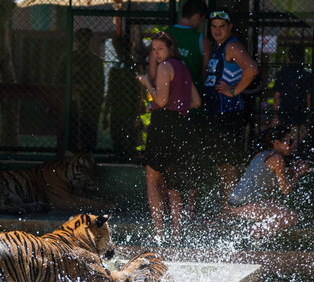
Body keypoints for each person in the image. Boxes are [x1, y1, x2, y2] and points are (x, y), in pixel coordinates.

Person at [136, 31, 201, 242]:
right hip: (181, 125)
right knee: (175, 183)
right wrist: (175, 106)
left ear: (170, 48)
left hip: (163, 125)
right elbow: (196, 102)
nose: (156, 53)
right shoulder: (183, 68)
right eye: (153, 49)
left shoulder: (165, 67)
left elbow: (162, 101)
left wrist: (147, 83)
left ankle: (158, 233)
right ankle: (176, 234)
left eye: (160, 49)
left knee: (153, 178)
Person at [203, 11, 260, 206]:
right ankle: (227, 208)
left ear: (230, 27)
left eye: (222, 26)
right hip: (217, 114)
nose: (217, 30)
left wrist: (234, 91)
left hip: (228, 114)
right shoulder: (218, 47)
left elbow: (252, 69)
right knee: (222, 164)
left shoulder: (233, 46)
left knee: (228, 164)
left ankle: (230, 210)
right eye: (214, 26)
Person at [225, 125, 311, 239]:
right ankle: (252, 237)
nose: (292, 145)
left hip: (234, 202)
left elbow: (265, 181)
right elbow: (285, 190)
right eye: (289, 141)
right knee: (291, 217)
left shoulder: (260, 155)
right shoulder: (278, 159)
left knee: (276, 205)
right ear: (276, 142)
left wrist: (291, 172)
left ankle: (253, 235)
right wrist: (297, 174)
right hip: (245, 205)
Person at [56, 28, 105, 152]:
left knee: (88, 134)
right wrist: (71, 88)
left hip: (89, 104)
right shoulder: (68, 58)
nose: (83, 44)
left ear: (89, 42)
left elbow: (100, 84)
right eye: (80, 40)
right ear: (76, 42)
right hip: (70, 102)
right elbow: (58, 79)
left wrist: (94, 98)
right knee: (69, 133)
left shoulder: (95, 61)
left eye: (85, 41)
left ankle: (87, 158)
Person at [102, 36, 143, 157]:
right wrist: (105, 115)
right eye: (118, 49)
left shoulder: (134, 67)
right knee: (117, 142)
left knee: (130, 143)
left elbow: (139, 92)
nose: (119, 52)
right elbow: (110, 92)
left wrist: (137, 113)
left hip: (130, 110)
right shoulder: (115, 69)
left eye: (122, 49)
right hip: (117, 111)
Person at [272, 44, 311, 152]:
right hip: (300, 114)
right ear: (302, 58)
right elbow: (309, 98)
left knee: (283, 140)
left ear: (288, 57)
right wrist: (308, 115)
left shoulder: (281, 74)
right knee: (296, 142)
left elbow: (277, 97)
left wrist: (276, 114)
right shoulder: (306, 75)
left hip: (284, 113)